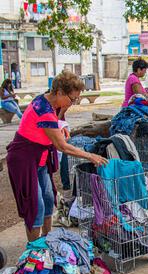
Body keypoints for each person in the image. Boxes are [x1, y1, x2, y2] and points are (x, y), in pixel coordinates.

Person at [6, 70, 108, 242]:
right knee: (35, 205)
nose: (74, 102)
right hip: (23, 159)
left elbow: (56, 123)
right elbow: (62, 146)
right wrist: (90, 156)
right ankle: (35, 249)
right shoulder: (43, 110)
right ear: (60, 92)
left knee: (47, 198)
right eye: (72, 98)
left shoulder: (51, 102)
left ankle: (47, 240)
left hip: (40, 159)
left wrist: (61, 121)